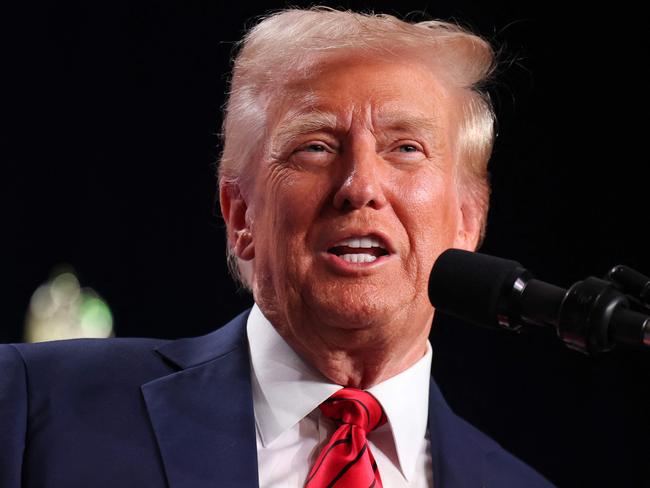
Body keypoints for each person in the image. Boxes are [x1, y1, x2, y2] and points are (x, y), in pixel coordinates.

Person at [0, 8, 554, 487]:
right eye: (314, 147)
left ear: (466, 221)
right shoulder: (36, 405)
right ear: (240, 214)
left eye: (405, 148)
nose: (360, 186)